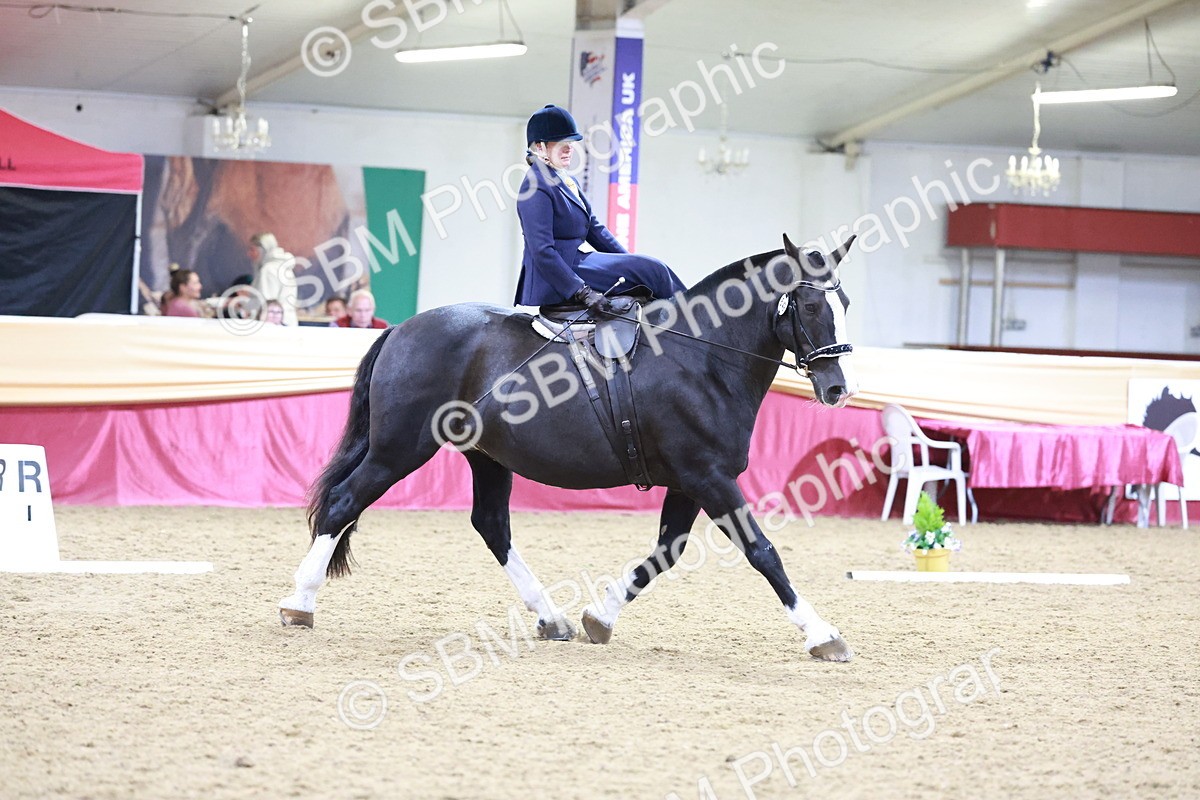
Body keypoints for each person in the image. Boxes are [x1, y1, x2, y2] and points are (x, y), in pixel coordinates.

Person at [514, 104, 686, 314]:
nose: (569, 148)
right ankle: (696, 317)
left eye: (570, 143)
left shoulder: (566, 179)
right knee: (655, 271)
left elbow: (594, 229)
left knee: (652, 269)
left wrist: (629, 262)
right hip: (561, 272)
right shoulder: (534, 186)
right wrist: (581, 291)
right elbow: (541, 251)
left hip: (577, 261)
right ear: (540, 147)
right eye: (561, 143)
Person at [249, 232, 298, 326]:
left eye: (252, 249)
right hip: (286, 323)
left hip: (274, 326)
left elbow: (267, 304)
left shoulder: (269, 269)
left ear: (262, 250)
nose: (249, 254)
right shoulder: (281, 266)